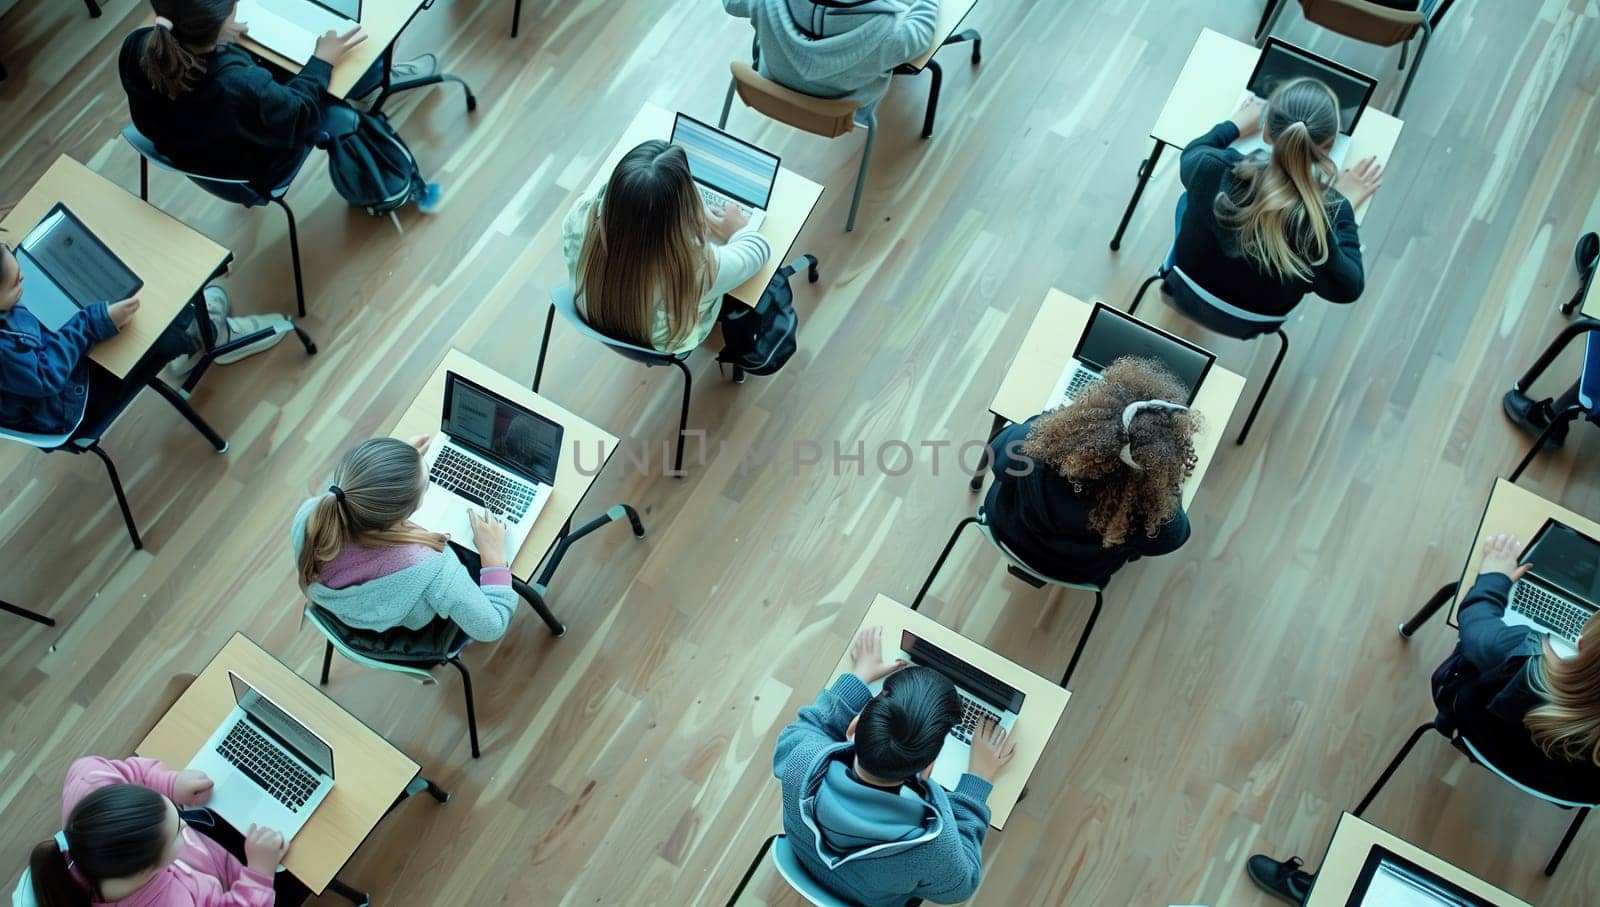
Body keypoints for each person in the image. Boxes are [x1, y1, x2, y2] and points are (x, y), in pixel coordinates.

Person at [1246, 534, 1600, 903]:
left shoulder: (1522, 654)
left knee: (1475, 653)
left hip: (1474, 735)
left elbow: (1474, 619)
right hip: (1563, 790)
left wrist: (1494, 578)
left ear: (1584, 645)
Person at [774, 626, 1016, 907]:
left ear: (854, 726)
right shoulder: (932, 849)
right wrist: (976, 783)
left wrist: (857, 679)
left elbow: (810, 726)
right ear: (928, 770)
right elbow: (962, 887)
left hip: (806, 862)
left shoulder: (800, 760)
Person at [118, 0, 441, 208]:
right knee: (341, 95)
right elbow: (300, 114)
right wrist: (320, 61)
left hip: (188, 146)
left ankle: (367, 83)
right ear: (214, 24)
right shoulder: (242, 85)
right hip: (252, 168)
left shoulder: (140, 45)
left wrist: (222, 36)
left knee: (279, 63)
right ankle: (370, 93)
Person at [1168, 77, 1383, 335]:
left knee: (1189, 198)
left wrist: (1233, 125)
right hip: (1251, 319)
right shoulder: (1322, 217)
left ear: (1267, 131)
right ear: (1326, 149)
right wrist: (1340, 205)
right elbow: (1348, 288)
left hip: (1184, 285)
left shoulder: (1212, 168)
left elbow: (1192, 154)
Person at [0, 242, 279, 437]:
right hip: (71, 405)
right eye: (15, 283)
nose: (22, 276)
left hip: (49, 382)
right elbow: (45, 375)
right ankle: (206, 334)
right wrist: (89, 322)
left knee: (120, 294)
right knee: (154, 329)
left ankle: (196, 316)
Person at [984, 357, 1200, 588]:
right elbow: (1175, 537)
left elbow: (995, 450)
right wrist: (1164, 492)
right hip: (1075, 571)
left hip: (1005, 528)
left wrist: (1053, 424)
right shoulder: (1144, 514)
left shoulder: (1030, 446)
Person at [290, 436, 519, 641]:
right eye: (427, 483)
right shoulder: (431, 565)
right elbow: (491, 627)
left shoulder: (311, 515)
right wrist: (494, 557)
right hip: (408, 623)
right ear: (409, 512)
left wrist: (390, 471)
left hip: (349, 611)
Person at [562, 140, 770, 355]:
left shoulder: (578, 218)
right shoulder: (694, 270)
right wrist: (735, 230)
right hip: (660, 341)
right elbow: (759, 249)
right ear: (681, 213)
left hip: (594, 314)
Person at [22, 755, 296, 906]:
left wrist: (169, 783)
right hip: (237, 883)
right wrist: (259, 873)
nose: (184, 822)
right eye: (178, 830)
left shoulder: (89, 787)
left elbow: (89, 766)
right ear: (149, 870)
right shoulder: (172, 902)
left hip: (211, 859)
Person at [720, 0, 939, 115]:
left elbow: (731, 3)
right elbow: (923, 30)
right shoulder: (890, 34)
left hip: (772, 85)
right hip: (842, 106)